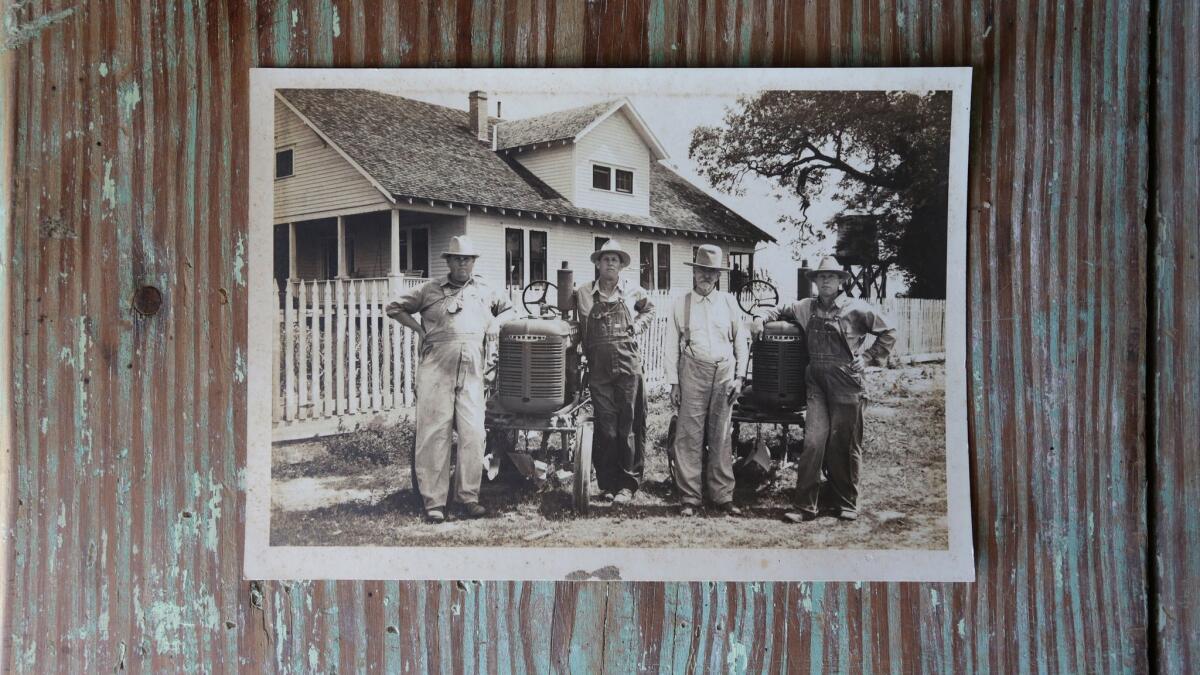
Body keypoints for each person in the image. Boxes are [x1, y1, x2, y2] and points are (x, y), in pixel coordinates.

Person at [385, 235, 514, 523]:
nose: (462, 264)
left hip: (472, 370)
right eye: (457, 259)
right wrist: (420, 331)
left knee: (474, 433)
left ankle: (468, 497)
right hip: (436, 369)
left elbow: (509, 309)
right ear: (448, 262)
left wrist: (495, 322)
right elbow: (394, 307)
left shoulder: (484, 289)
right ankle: (434, 502)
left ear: (473, 262)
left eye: (467, 259)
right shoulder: (430, 290)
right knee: (434, 433)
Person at [757, 256, 896, 522]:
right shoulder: (805, 308)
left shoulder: (856, 309)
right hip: (817, 385)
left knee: (843, 444)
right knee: (813, 442)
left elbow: (889, 331)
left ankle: (845, 502)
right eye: (821, 277)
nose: (826, 281)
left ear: (841, 281)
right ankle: (805, 506)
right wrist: (759, 317)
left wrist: (867, 358)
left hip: (847, 384)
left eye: (831, 277)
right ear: (815, 282)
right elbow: (778, 310)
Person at [664, 244, 750, 517]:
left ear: (718, 275)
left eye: (712, 272)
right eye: (702, 270)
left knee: (721, 434)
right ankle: (690, 497)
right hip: (693, 370)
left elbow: (741, 342)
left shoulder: (729, 303)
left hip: (724, 372)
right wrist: (674, 383)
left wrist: (740, 377)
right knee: (689, 435)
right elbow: (669, 346)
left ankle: (722, 496)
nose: (706, 276)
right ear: (694, 272)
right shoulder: (681, 303)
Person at [573, 240, 654, 504]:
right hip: (598, 368)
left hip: (629, 365)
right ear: (598, 263)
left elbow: (650, 310)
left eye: (615, 260)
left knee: (628, 424)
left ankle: (627, 485)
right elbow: (573, 324)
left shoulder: (633, 291)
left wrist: (638, 327)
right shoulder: (583, 293)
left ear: (621, 265)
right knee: (606, 426)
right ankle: (607, 483)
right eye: (606, 259)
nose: (610, 263)